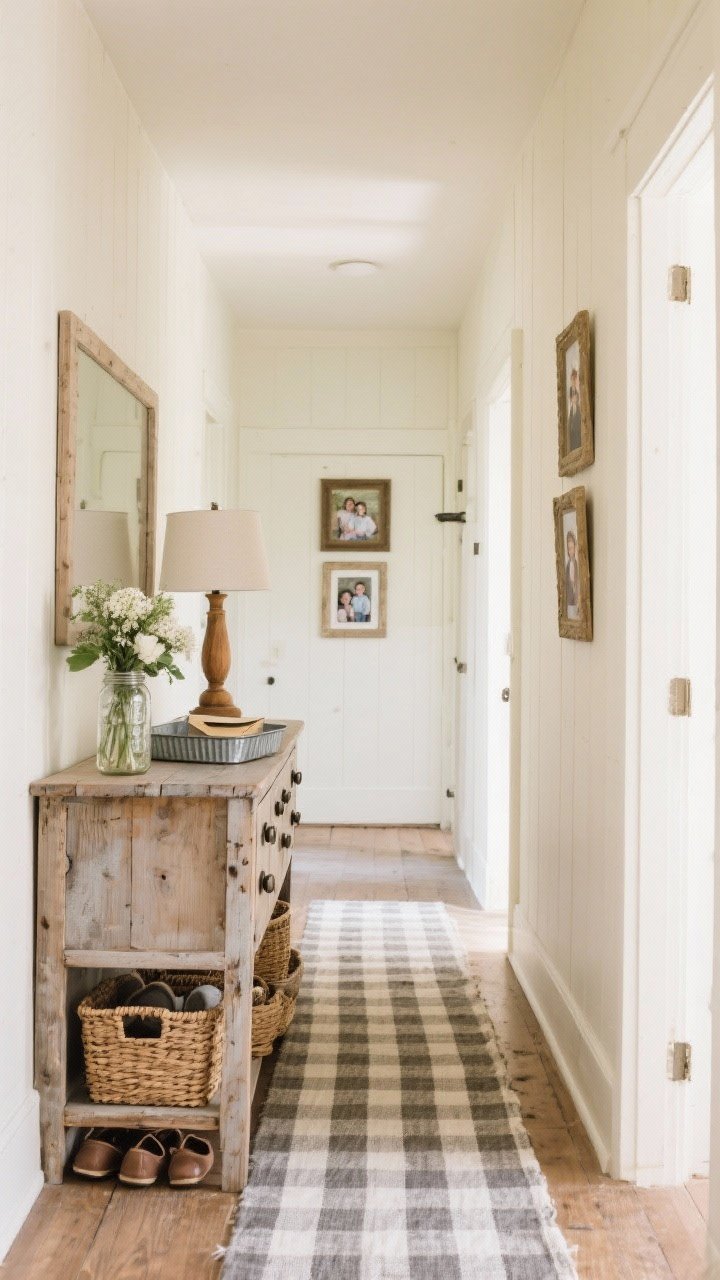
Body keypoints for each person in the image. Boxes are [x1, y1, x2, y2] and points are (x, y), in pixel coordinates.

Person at [565, 529, 580, 620]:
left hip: (576, 600)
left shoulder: (577, 564)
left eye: (572, 548)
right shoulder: (567, 566)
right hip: (570, 602)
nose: (570, 551)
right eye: (568, 549)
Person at [567, 381, 581, 453]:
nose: (575, 398)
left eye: (575, 396)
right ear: (571, 399)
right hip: (572, 441)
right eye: (573, 396)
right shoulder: (571, 410)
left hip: (579, 439)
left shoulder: (580, 409)